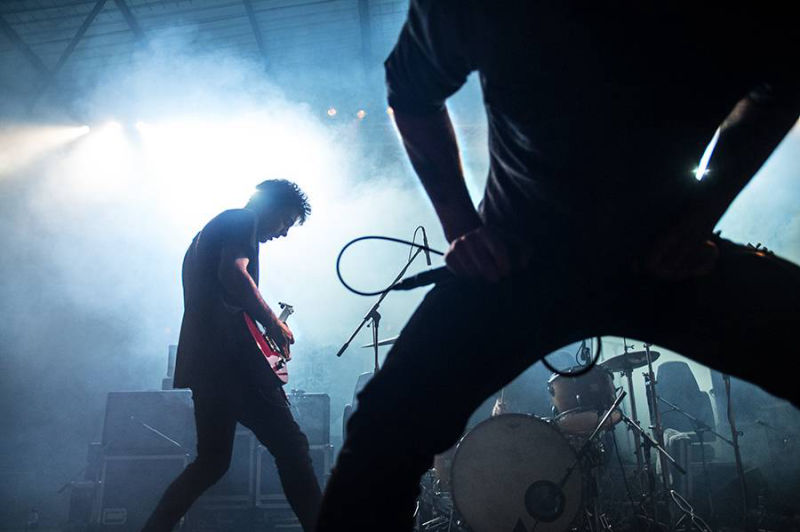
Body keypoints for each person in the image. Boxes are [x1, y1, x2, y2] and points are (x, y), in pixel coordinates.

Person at [316, 1, 799, 530]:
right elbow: (410, 91)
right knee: (382, 436)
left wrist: (702, 215)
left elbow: (779, 91)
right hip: (521, 262)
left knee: (381, 436)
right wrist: (461, 228)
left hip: (657, 257)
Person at [143, 179, 321, 531]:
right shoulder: (241, 220)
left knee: (212, 462)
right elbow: (233, 275)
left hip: (205, 365)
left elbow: (221, 295)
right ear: (270, 206)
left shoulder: (210, 232)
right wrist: (273, 323)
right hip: (233, 364)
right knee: (292, 447)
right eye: (285, 221)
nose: (284, 233)